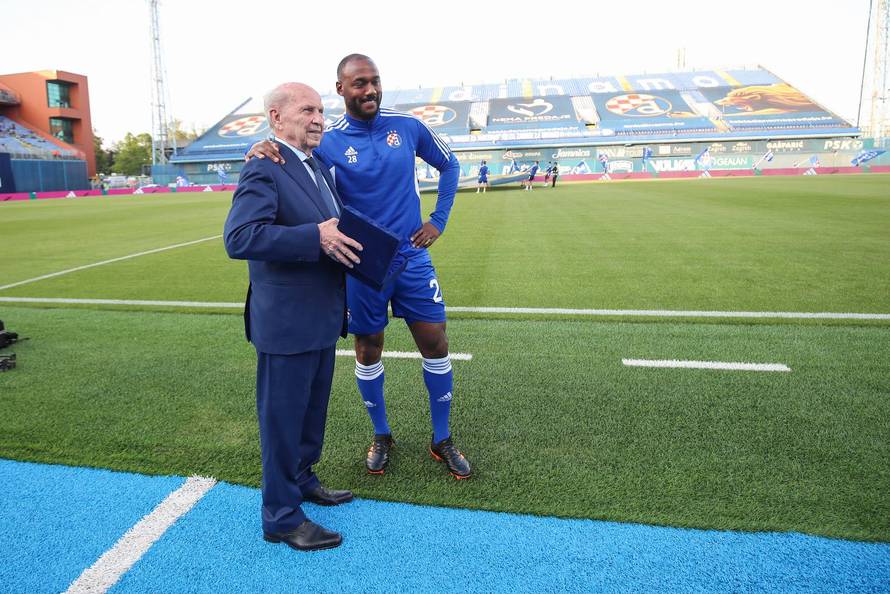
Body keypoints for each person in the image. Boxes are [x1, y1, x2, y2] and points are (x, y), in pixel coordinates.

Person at [247, 54, 471, 479]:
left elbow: (450, 165)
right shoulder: (328, 139)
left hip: (411, 258)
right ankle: (381, 434)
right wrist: (256, 144)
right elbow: (285, 152)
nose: (369, 90)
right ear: (341, 90)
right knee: (368, 349)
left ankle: (441, 439)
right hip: (363, 263)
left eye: (374, 81)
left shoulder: (407, 127)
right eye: (358, 84)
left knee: (436, 343)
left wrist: (437, 221)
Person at [224, 82, 363, 552]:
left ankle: (303, 479)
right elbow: (240, 237)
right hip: (285, 322)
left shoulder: (318, 165)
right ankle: (280, 517)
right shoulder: (265, 165)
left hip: (322, 315)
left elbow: (333, 227)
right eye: (307, 109)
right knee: (282, 422)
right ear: (276, 119)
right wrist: (314, 238)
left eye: (322, 109)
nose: (319, 117)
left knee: (310, 415)